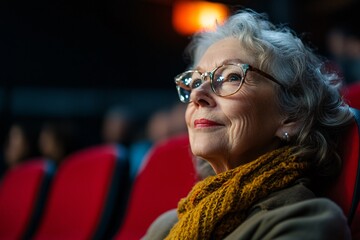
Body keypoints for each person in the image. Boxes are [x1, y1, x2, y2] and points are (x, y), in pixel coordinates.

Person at [143, 8, 354, 239]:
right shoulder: (166, 225)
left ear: (292, 116)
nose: (197, 95)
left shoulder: (305, 220)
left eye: (231, 77)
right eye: (194, 82)